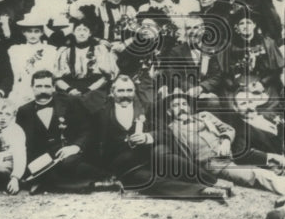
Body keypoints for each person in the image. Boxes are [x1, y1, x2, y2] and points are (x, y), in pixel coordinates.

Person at [160, 89, 285, 197]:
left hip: (232, 152)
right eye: (175, 105)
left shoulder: (204, 115)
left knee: (281, 168)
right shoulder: (172, 129)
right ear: (169, 112)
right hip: (215, 164)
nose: (181, 108)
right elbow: (181, 155)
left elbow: (228, 129)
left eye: (183, 104)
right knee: (256, 174)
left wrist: (226, 141)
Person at [89, 76, 225, 200]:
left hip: (150, 154)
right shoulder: (101, 114)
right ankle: (202, 190)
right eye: (121, 91)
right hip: (128, 165)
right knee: (148, 181)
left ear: (134, 91)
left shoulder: (147, 109)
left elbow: (164, 131)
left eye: (129, 90)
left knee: (165, 155)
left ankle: (212, 180)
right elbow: (96, 144)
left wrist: (148, 136)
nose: (125, 95)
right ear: (112, 93)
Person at [15, 70, 105, 194]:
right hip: (41, 161)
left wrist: (75, 146)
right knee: (42, 172)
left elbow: (86, 129)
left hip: (67, 155)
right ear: (32, 87)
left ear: (53, 87)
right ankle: (85, 185)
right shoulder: (23, 111)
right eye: (38, 86)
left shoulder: (70, 102)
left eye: (47, 86)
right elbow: (21, 142)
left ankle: (49, 184)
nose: (42, 90)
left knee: (69, 164)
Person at [8, 15, 62, 107]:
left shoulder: (50, 50)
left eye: (36, 31)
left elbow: (51, 74)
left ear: (42, 33)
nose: (33, 35)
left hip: (43, 91)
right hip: (21, 92)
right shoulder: (15, 50)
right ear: (24, 32)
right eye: (29, 31)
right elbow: (16, 76)